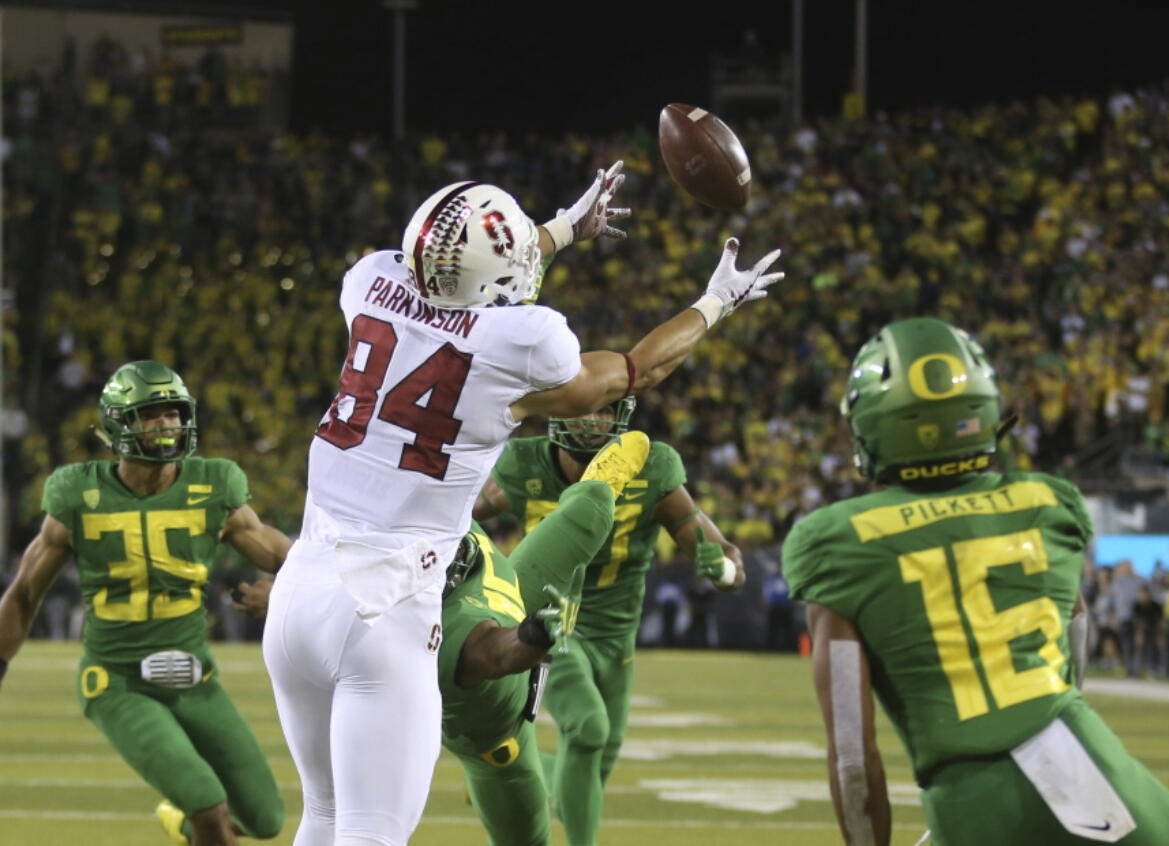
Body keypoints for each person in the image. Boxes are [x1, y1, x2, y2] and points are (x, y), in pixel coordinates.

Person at [262, 164, 784, 846]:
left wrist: (565, 229)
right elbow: (636, 371)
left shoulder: (368, 282)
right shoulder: (524, 343)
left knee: (322, 818)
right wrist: (715, 303)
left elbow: (456, 273)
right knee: (369, 833)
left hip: (299, 594)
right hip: (384, 612)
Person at [782, 317, 1169, 846]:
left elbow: (853, 760)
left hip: (974, 801)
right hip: (1091, 767)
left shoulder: (837, 540)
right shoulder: (1046, 502)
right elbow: (1072, 654)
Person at [237, 431, 651, 846]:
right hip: (495, 737)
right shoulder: (426, 626)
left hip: (512, 588)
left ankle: (600, 485)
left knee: (588, 513)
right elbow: (498, 655)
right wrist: (538, 632)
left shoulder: (425, 521)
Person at [0, 360, 289, 846]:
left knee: (264, 819)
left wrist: (283, 592)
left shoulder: (214, 486)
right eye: (151, 414)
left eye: (174, 413)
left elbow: (286, 558)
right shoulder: (80, 493)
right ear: (118, 423)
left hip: (195, 677)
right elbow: (26, 592)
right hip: (117, 681)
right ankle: (197, 818)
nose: (167, 424)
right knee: (209, 806)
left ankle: (182, 823)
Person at [474, 396, 744, 846]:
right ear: (559, 409)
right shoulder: (526, 465)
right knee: (589, 725)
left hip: (618, 638)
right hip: (552, 623)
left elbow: (726, 553)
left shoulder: (652, 468)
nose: (595, 420)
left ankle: (507, 763)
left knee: (589, 774)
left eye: (606, 410)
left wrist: (725, 569)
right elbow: (451, 521)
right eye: (587, 407)